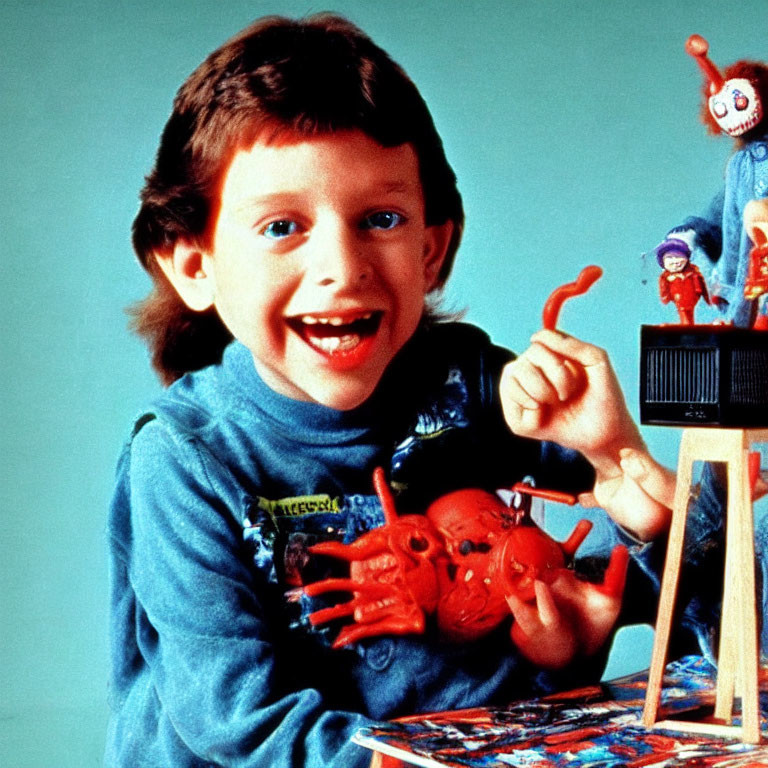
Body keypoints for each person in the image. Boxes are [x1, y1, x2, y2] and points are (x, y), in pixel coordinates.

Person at [107, 14, 678, 768]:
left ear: (431, 249)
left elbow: (699, 603)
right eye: (282, 226)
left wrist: (616, 463)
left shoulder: (483, 389)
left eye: (380, 219)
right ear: (192, 263)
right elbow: (236, 720)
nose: (343, 267)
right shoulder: (186, 461)